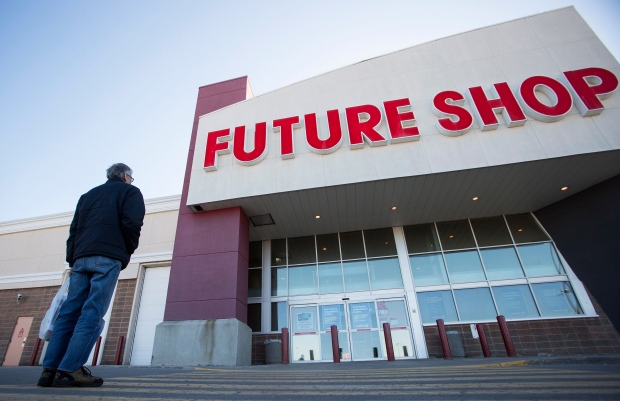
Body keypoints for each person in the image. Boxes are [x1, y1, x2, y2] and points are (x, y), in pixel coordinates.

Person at [38, 163, 145, 387]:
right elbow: (132, 223)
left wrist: (73, 258)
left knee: (68, 313)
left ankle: (49, 370)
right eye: (131, 178)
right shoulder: (130, 192)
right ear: (126, 176)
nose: (131, 181)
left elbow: (74, 230)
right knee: (92, 313)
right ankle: (69, 370)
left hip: (81, 258)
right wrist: (126, 250)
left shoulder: (87, 196)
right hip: (107, 257)